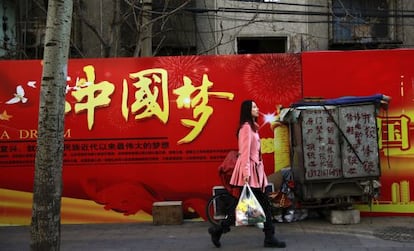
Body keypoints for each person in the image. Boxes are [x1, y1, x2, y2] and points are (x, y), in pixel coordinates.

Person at [208, 100, 286, 248]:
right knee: (261, 205)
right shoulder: (246, 129)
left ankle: (218, 230)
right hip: (249, 174)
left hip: (254, 173)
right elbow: (244, 153)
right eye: (254, 107)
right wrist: (246, 174)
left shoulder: (253, 128)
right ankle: (269, 237)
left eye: (256, 106)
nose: (257, 109)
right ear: (247, 111)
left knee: (244, 207)